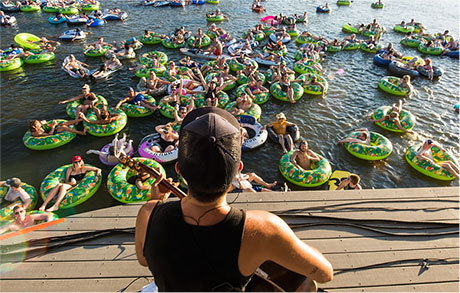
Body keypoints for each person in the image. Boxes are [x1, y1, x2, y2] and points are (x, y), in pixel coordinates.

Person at [135, 107, 333, 291]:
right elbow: (324, 273)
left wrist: (155, 201)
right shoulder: (264, 229)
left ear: (179, 169)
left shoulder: (149, 213)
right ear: (238, 169)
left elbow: (144, 260)